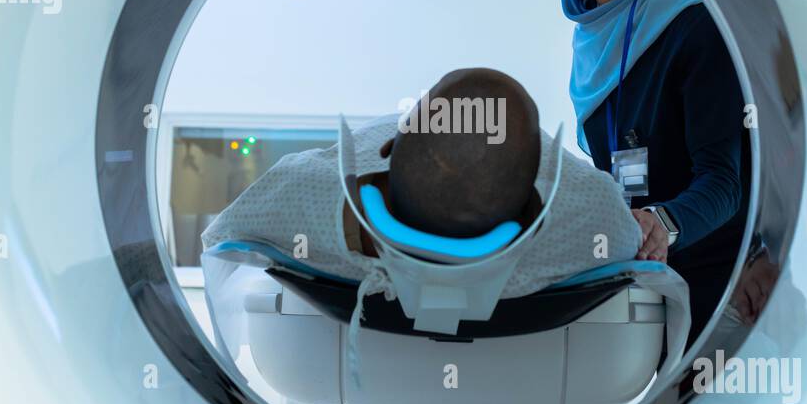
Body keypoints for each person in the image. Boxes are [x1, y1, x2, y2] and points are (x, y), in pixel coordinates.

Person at [200, 67, 646, 298]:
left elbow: (219, 238)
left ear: (389, 147)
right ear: (535, 197)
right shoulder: (593, 217)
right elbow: (633, 241)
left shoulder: (299, 194)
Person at [557, 0, 751, 344]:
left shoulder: (695, 24)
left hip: (723, 288)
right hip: (651, 284)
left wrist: (662, 223)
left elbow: (724, 183)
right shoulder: (592, 37)